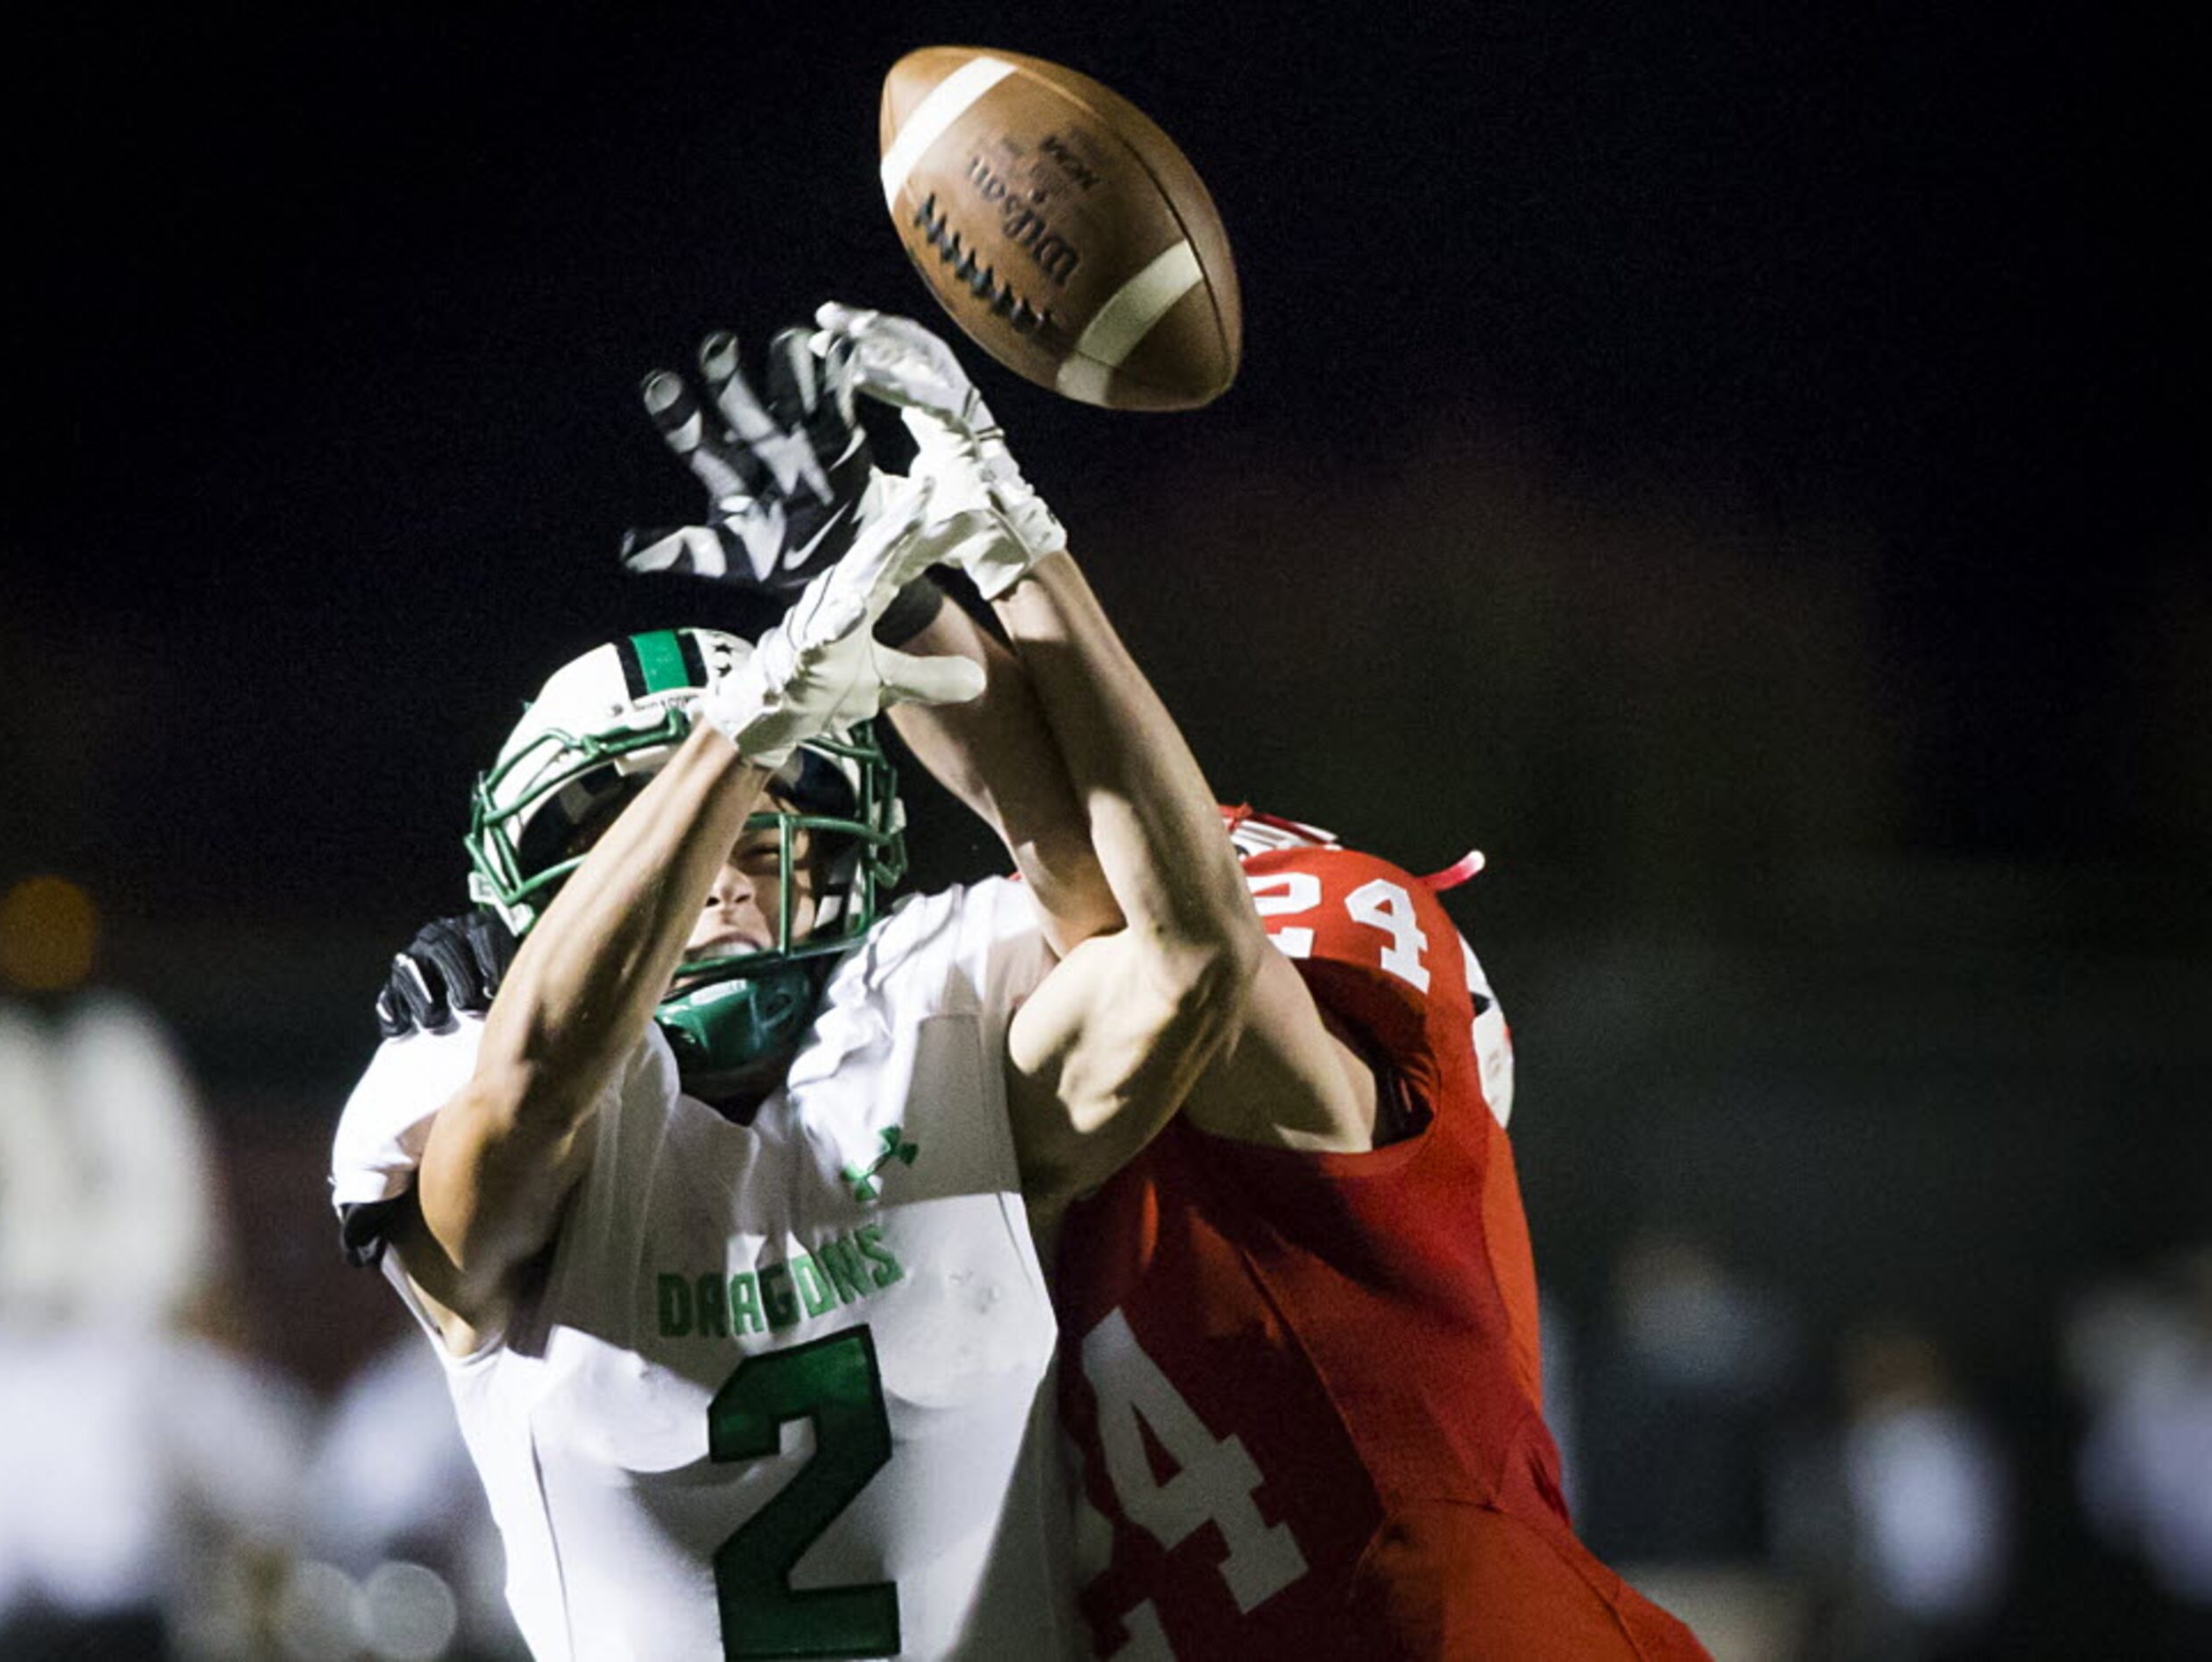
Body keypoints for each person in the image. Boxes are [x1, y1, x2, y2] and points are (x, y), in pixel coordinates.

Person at [628, 307, 1715, 1659]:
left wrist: (1006, 531)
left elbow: (1163, 915)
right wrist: (868, 558)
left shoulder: (1326, 1130)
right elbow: (1070, 850)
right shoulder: (1104, 1150)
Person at [330, 314, 1263, 1660]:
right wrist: (751, 720)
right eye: (640, 832)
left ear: (840, 851)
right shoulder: (459, 1065)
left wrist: (1004, 544)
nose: (717, 878)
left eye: (764, 828)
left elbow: (1188, 948)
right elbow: (529, 1089)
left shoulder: (936, 1012)